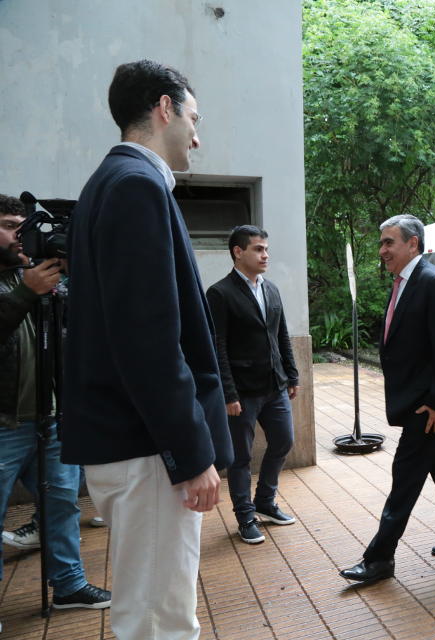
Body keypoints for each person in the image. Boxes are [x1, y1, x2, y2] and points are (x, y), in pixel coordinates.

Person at [61, 60, 233, 640]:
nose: (197, 135)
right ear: (165, 108)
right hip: (149, 451)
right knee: (159, 620)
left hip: (132, 446)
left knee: (151, 610)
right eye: (193, 118)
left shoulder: (110, 184)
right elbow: (149, 339)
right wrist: (192, 455)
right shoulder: (136, 185)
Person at [339, 214, 435, 584]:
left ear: (412, 244)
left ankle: (378, 559)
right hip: (421, 400)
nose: (382, 250)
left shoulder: (432, 282)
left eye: (389, 242)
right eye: (382, 243)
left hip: (428, 405)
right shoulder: (404, 280)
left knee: (404, 480)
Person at [0, 194, 111, 623]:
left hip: (50, 418)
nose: (19, 234)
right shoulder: (25, 284)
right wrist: (25, 293)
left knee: (63, 503)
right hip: (5, 422)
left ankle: (68, 586)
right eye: (10, 225)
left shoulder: (41, 279)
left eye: (22, 226)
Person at [206, 225, 300, 544]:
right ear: (238, 252)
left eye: (266, 249)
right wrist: (228, 393)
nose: (265, 255)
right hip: (242, 393)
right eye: (259, 249)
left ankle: (265, 502)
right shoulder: (219, 293)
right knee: (240, 457)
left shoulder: (270, 289)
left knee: (284, 441)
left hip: (274, 386)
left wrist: (291, 374)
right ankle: (245, 515)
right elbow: (217, 346)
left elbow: (281, 335)